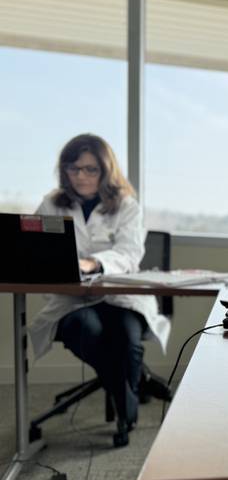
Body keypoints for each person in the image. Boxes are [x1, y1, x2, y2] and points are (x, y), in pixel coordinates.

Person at [28, 133, 170, 437]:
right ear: (64, 170)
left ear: (105, 171)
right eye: (74, 168)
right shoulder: (52, 204)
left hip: (121, 297)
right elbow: (37, 251)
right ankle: (130, 392)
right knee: (83, 330)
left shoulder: (126, 206)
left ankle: (126, 403)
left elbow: (130, 254)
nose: (81, 176)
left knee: (127, 338)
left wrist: (93, 263)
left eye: (90, 169)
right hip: (74, 301)